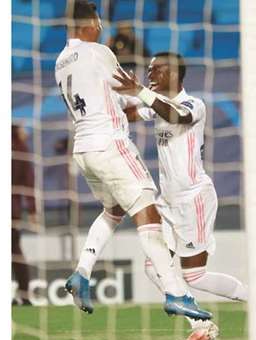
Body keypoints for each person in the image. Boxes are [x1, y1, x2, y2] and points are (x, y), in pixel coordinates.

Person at [54, 0, 211, 321]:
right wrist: (144, 94)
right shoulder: (99, 52)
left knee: (113, 211)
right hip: (110, 145)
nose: (100, 27)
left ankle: (82, 272)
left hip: (83, 148)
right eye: (98, 21)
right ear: (90, 23)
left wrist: (142, 101)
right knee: (147, 212)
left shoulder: (60, 62)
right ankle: (176, 293)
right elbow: (128, 89)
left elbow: (114, 97)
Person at [113, 52, 250, 340]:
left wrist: (140, 91)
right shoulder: (156, 105)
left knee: (194, 276)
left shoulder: (193, 104)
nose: (150, 74)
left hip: (193, 199)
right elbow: (132, 114)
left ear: (174, 73)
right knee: (154, 267)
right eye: (148, 70)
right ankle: (202, 326)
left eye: (156, 69)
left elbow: (178, 115)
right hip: (168, 202)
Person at [12, 123, 37, 306]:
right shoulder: (21, 149)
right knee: (15, 252)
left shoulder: (20, 148)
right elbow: (28, 182)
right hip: (12, 211)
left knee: (14, 251)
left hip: (12, 211)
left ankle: (23, 294)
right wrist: (32, 210)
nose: (25, 132)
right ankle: (24, 294)